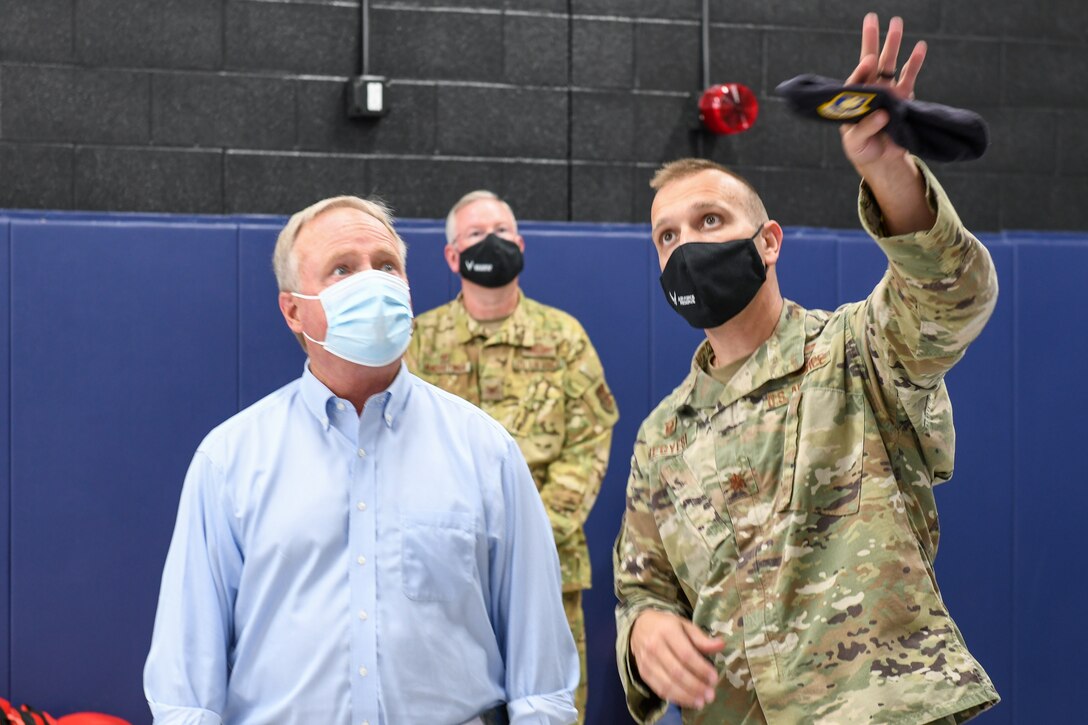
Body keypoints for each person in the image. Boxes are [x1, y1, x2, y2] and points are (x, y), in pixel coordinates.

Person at [613, 13, 1001, 725]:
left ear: (768, 242)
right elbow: (644, 587)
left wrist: (885, 164)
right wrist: (642, 631)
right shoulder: (661, 435)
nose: (686, 245)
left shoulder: (857, 352)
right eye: (666, 236)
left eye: (708, 221)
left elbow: (952, 295)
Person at [144, 195, 579, 725]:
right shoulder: (230, 460)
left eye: (387, 266)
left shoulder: (486, 450)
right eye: (343, 269)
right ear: (294, 310)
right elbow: (186, 683)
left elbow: (542, 678)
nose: (373, 282)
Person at [405, 191, 619, 723]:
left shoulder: (564, 338)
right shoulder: (419, 342)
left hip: (550, 567)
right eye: (477, 234)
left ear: (520, 245)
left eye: (502, 231)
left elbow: (588, 443)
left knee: (548, 705)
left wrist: (533, 535)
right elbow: (401, 449)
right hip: (444, 576)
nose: (492, 242)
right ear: (453, 256)